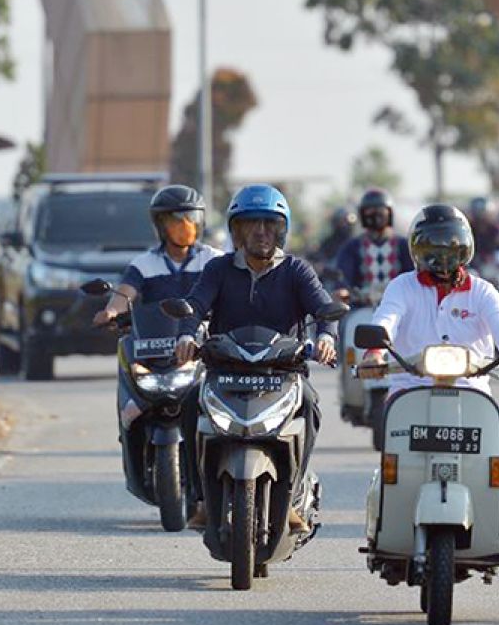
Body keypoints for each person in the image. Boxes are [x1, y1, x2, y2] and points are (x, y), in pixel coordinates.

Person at [358, 204, 499, 560]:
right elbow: (386, 318)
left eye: (450, 247)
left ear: (465, 248)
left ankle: (492, 524)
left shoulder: (483, 291)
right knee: (398, 458)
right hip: (410, 388)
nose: (442, 257)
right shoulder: (402, 286)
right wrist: (375, 351)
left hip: (470, 392)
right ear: (417, 250)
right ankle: (389, 525)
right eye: (432, 248)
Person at [174, 184, 338, 529]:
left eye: (269, 224)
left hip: (284, 373)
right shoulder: (218, 270)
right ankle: (202, 498)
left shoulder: (297, 270)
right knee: (189, 402)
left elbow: (323, 308)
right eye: (251, 224)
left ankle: (292, 495)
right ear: (236, 230)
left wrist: (326, 336)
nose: (261, 231)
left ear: (282, 229)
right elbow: (195, 305)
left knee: (310, 405)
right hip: (224, 371)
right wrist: (187, 334)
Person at [93, 185, 222, 326]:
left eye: (191, 219)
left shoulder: (214, 259)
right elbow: (124, 295)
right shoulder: (143, 264)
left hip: (205, 340)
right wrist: (111, 312)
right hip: (155, 341)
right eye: (176, 220)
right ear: (160, 225)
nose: (185, 227)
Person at [332, 188, 413, 305]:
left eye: (380, 210)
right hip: (361, 309)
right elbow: (343, 277)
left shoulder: (405, 246)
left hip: (401, 308)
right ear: (362, 214)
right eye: (370, 210)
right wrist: (342, 291)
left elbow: (414, 277)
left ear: (389, 213)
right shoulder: (351, 247)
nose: (375, 214)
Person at [466, 196, 499, 270]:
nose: (482, 218)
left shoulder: (496, 230)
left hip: (493, 266)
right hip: (472, 266)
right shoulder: (468, 230)